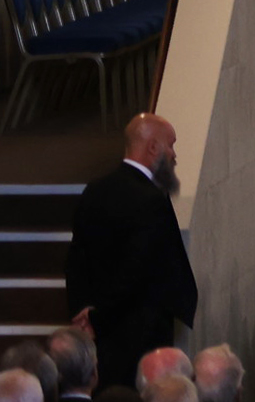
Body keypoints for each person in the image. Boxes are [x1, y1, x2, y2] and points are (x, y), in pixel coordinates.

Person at [65, 117, 194, 379]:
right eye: (170, 145)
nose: (174, 154)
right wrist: (99, 317)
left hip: (101, 337)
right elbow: (137, 270)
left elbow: (77, 258)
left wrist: (83, 313)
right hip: (142, 334)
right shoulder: (152, 199)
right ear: (153, 148)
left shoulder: (95, 190)